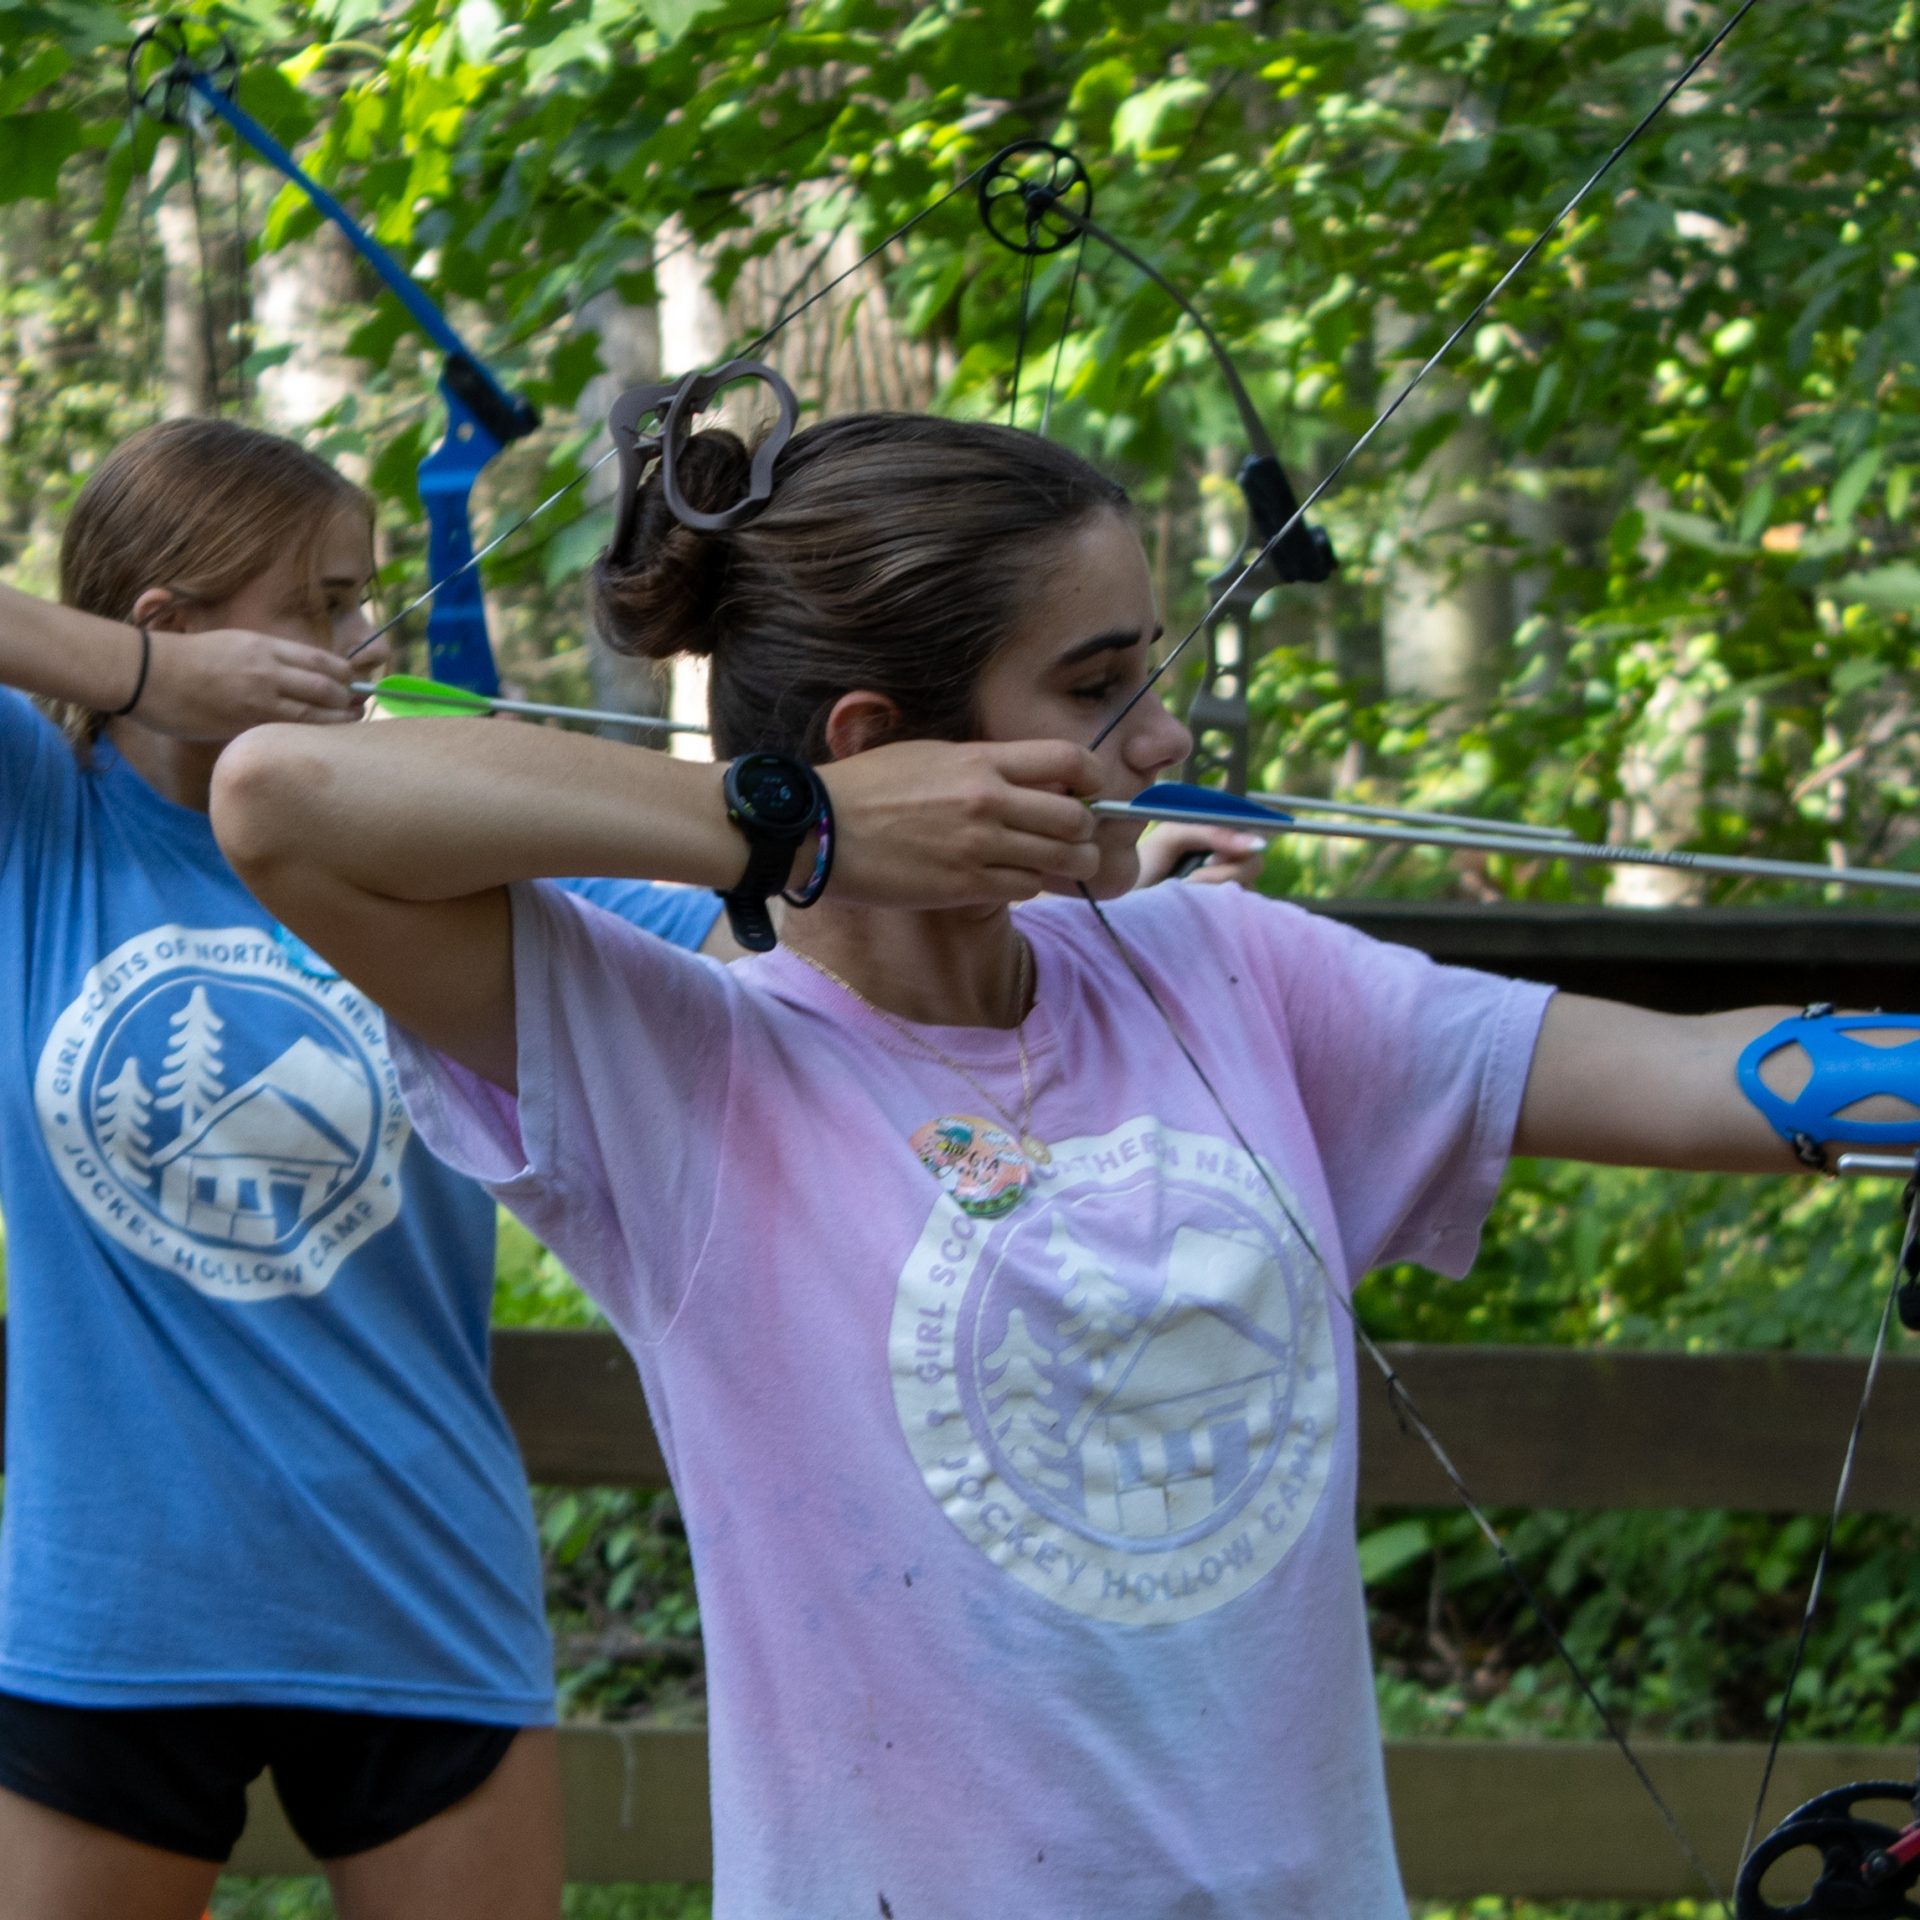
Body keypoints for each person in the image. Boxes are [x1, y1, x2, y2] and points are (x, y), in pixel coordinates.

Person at [208, 408, 1882, 1918]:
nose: (1157, 739)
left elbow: (1698, 1076)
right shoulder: (684, 1074)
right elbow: (284, 793)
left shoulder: (1225, 971)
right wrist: (799, 822)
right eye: (1096, 688)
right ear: (885, 741)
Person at [0, 416, 728, 1920]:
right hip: (113, 1610)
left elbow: (760, 959)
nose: (361, 639)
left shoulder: (422, 840)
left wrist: (1090, 897)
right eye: (324, 603)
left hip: (411, 1582)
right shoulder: (39, 819)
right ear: (165, 621)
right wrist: (142, 687)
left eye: (365, 598)